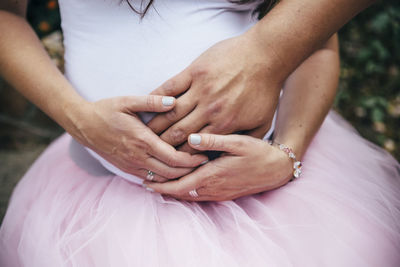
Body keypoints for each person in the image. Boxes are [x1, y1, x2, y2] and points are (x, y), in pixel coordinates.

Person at [0, 0, 399, 266]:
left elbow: (316, 41)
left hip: (272, 202)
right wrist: (78, 118)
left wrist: (286, 155)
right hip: (97, 205)